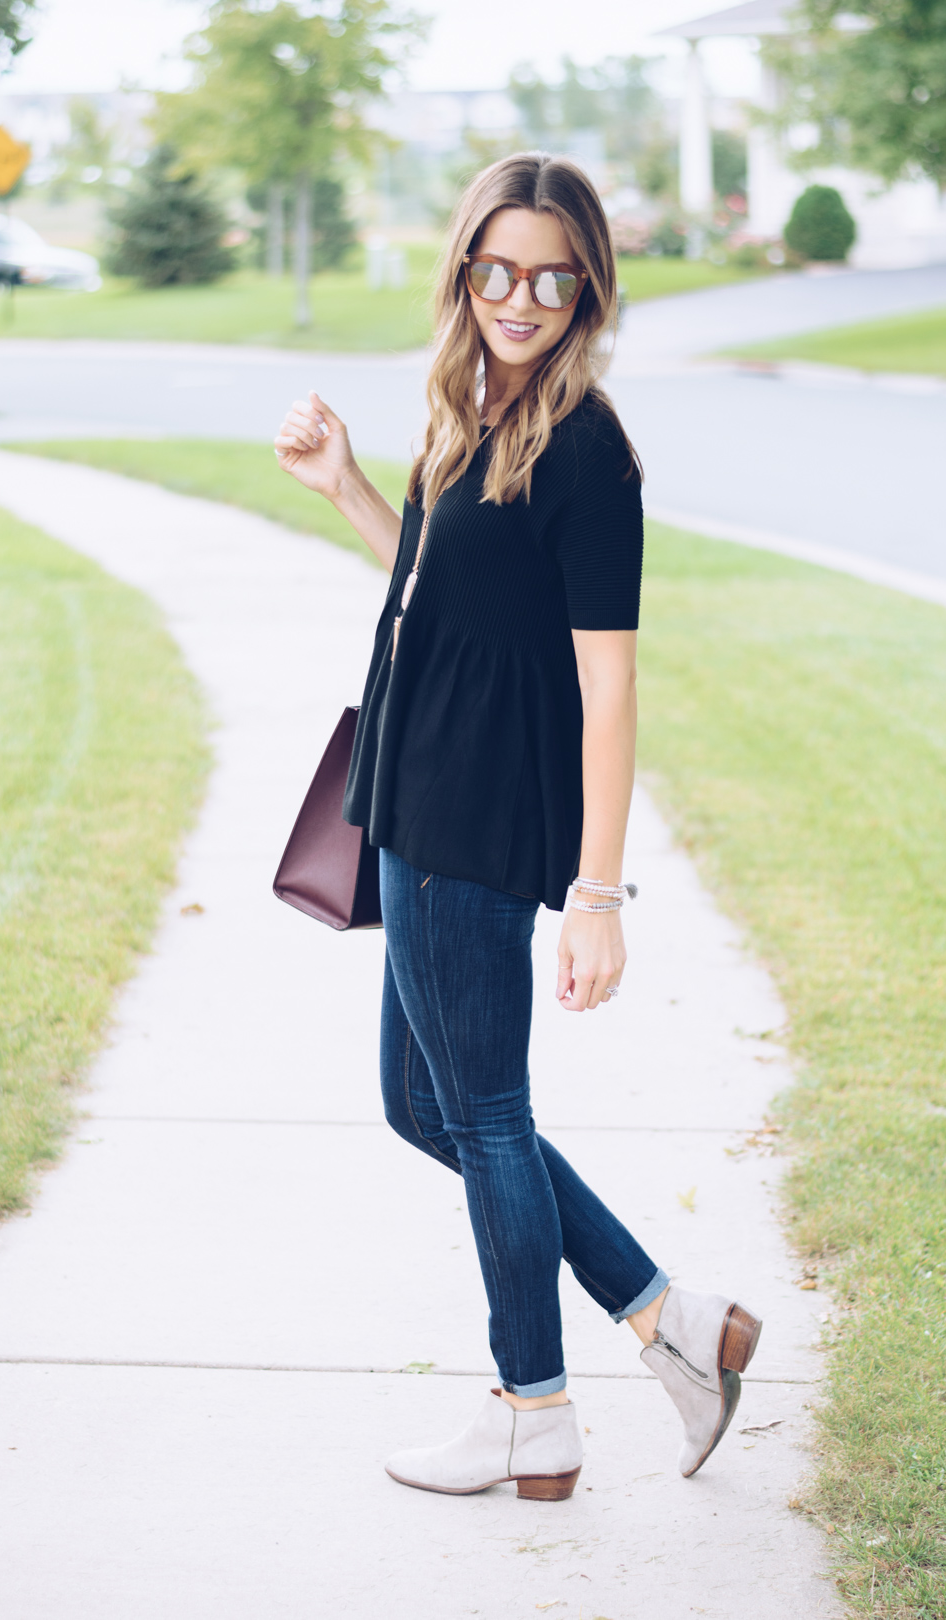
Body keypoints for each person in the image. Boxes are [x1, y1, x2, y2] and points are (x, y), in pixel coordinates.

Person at [274, 152, 761, 1501]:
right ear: (465, 271)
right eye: (499, 268)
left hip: (483, 815)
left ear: (586, 284)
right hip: (418, 799)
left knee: (482, 1113)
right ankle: (672, 1320)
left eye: (554, 274)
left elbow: (608, 681)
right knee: (425, 1106)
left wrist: (599, 895)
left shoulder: (588, 450)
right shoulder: (469, 404)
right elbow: (445, 602)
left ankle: (532, 1409)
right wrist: (347, 491)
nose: (523, 296)